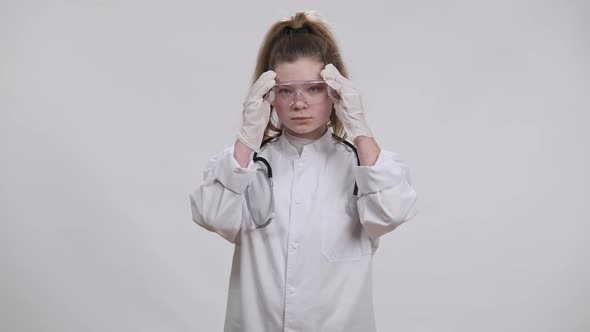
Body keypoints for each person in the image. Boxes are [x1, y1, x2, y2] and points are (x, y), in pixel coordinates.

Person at [189, 10, 418, 332]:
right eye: (285, 90)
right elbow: (211, 215)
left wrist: (360, 128)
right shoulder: (244, 167)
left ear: (334, 92)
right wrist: (246, 138)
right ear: (268, 96)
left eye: (313, 89)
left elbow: (391, 214)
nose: (299, 103)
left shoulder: (365, 166)